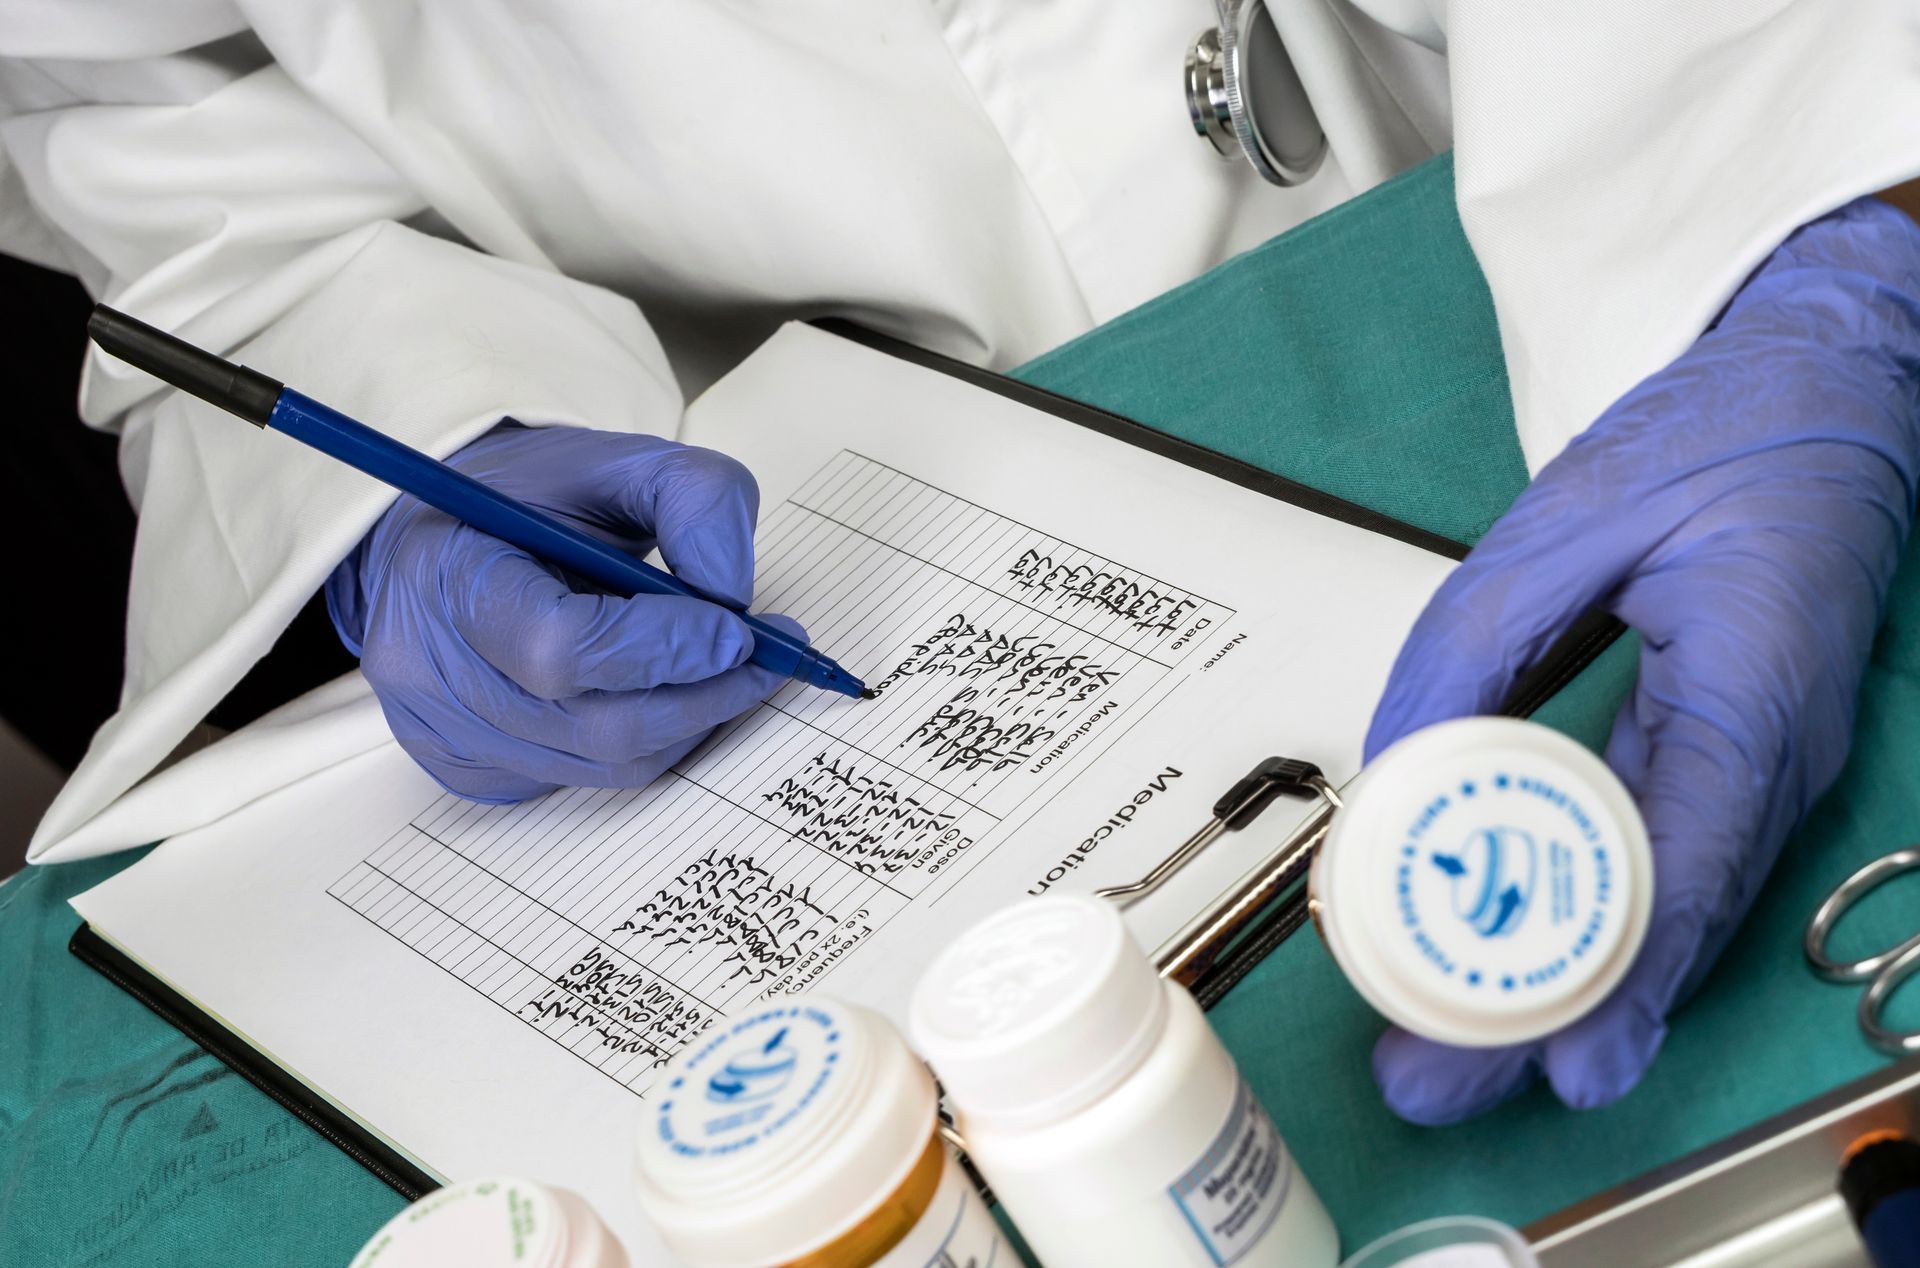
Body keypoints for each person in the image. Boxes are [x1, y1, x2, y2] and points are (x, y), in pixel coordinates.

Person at [2, 1, 1917, 1124]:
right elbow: (141, 105)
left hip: (1567, 179)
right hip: (775, 437)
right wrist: (422, 441)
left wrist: (1821, 207)